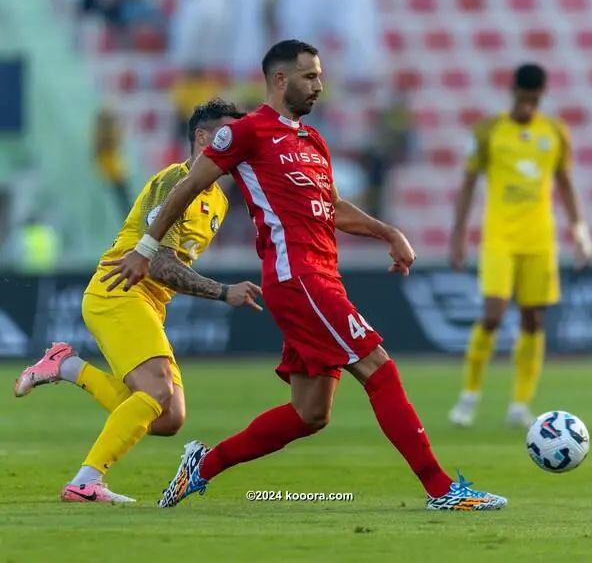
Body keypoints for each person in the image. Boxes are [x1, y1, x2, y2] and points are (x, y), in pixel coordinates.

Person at [101, 40, 507, 511]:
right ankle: (442, 490)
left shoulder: (312, 142)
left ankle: (203, 465)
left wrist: (388, 232)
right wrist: (146, 249)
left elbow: (331, 208)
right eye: (310, 76)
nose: (320, 86)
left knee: (309, 414)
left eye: (319, 76)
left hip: (322, 276)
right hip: (298, 278)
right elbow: (190, 185)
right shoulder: (247, 133)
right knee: (378, 365)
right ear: (280, 80)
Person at [13, 99, 262, 503]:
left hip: (147, 303)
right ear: (202, 137)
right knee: (159, 391)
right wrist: (222, 292)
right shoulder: (174, 182)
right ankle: (85, 480)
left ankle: (68, 366)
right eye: (227, 135)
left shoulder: (216, 198)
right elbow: (160, 264)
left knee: (168, 418)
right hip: (118, 290)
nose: (237, 145)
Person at [448, 64, 592, 429]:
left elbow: (565, 182)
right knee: (493, 314)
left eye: (535, 100)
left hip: (539, 239)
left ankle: (519, 404)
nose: (529, 107)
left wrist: (580, 230)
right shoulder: (488, 131)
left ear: (541, 96)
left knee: (534, 320)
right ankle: (469, 396)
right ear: (513, 92)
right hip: (499, 237)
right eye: (524, 99)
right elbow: (467, 183)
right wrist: (458, 234)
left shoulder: (555, 132)